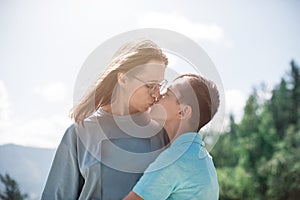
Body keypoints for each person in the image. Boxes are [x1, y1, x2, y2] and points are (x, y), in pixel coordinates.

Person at [41, 39, 170, 199]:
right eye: (150, 85)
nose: (156, 94)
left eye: (160, 85)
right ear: (123, 78)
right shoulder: (79, 133)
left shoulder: (160, 133)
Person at [124, 73, 220, 200]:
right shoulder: (202, 158)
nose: (158, 96)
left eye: (167, 94)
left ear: (183, 112)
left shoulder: (174, 159)